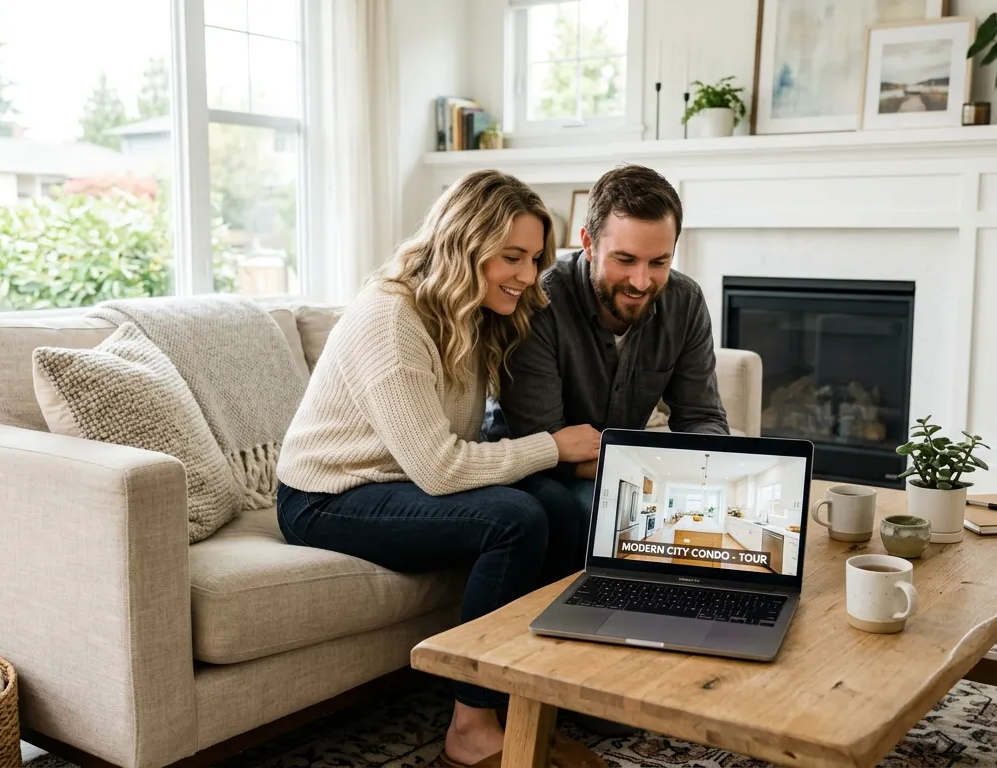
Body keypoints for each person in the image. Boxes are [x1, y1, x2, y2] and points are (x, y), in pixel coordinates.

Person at [275, 169, 602, 767]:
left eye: (534, 258)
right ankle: (471, 728)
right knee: (514, 519)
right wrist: (556, 448)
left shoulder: (473, 309)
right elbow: (440, 470)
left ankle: (529, 704)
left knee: (554, 505)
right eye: (512, 257)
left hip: (398, 480)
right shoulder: (391, 319)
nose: (528, 276)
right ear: (464, 243)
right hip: (325, 496)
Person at [488, 163, 729, 497]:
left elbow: (702, 418)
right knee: (601, 517)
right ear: (588, 243)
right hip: (538, 473)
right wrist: (655, 472)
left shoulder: (684, 302)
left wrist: (703, 471)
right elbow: (543, 444)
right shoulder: (539, 301)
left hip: (619, 468)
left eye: (659, 262)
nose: (641, 282)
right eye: (625, 260)